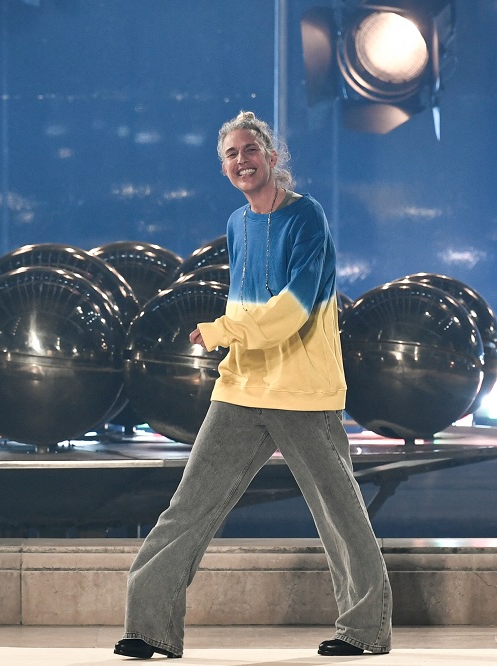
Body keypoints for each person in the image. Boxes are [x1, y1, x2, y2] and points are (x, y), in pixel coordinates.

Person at [114, 111, 392, 659]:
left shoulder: (306, 217)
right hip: (241, 388)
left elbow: (293, 308)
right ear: (224, 169)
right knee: (188, 508)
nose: (241, 161)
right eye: (231, 156)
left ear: (271, 155)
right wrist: (232, 341)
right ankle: (149, 629)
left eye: (249, 150)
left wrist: (222, 331)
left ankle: (365, 631)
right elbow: (245, 298)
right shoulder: (238, 224)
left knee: (339, 513)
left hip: (301, 391)